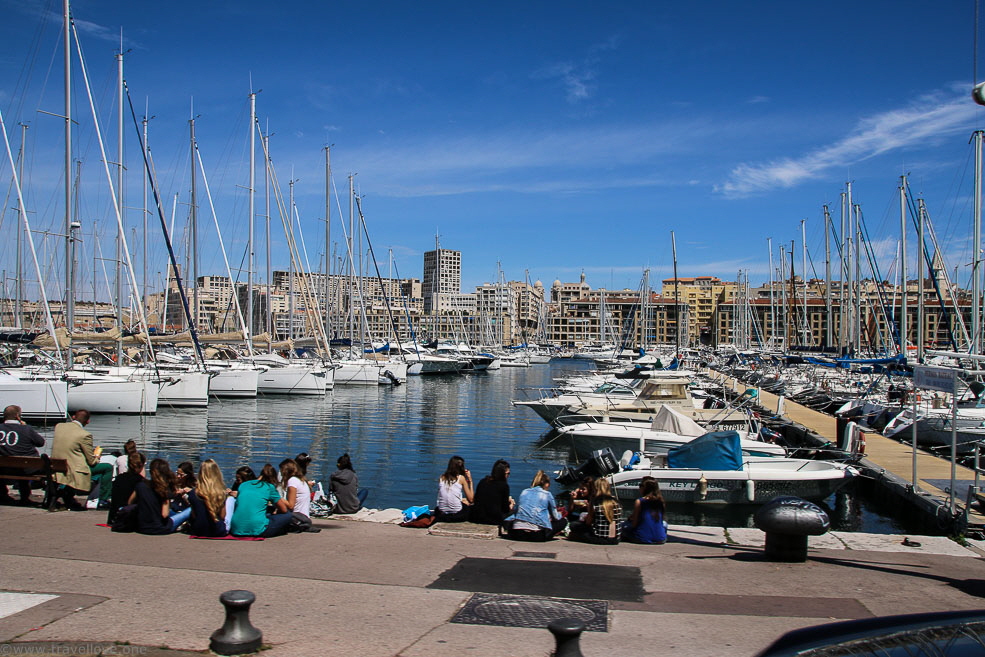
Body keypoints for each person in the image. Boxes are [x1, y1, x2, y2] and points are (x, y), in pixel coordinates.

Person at [51, 409, 112, 510]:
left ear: (74, 417)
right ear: (87, 421)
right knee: (108, 468)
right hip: (73, 469)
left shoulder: (59, 427)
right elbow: (91, 462)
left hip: (58, 466)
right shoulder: (84, 435)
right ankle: (103, 500)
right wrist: (97, 457)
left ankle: (66, 494)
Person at [129, 458, 192, 535]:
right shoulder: (163, 489)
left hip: (141, 527)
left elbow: (129, 502)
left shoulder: (140, 485)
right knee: (190, 510)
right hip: (160, 528)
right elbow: (164, 514)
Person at [229, 463, 292, 538]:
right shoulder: (269, 487)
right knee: (288, 515)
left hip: (236, 528)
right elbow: (284, 510)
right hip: (257, 530)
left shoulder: (243, 485)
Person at [0, 404, 46, 504]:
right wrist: (24, 426)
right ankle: (24, 497)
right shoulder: (26, 429)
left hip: (4, 468)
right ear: (17, 416)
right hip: (27, 468)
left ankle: (3, 494)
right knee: (25, 465)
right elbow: (40, 442)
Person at [505, 470, 567, 541]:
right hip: (536, 534)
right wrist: (560, 514)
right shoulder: (547, 494)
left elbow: (518, 512)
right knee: (563, 521)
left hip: (517, 533)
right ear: (546, 484)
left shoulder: (524, 492)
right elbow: (556, 517)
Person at [568, 478, 621, 545]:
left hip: (599, 537)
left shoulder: (595, 502)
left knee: (573, 525)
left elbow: (588, 522)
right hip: (615, 539)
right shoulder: (616, 502)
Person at [188, 459, 229, 537]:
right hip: (217, 530)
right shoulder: (221, 493)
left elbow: (194, 515)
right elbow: (223, 516)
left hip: (198, 530)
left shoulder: (193, 493)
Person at [621, 477, 667, 545]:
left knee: (624, 525)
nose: (639, 488)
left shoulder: (640, 501)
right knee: (665, 524)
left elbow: (634, 524)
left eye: (640, 486)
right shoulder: (660, 501)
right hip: (661, 539)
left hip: (641, 538)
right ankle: (658, 535)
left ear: (644, 488)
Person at [469, 459, 514, 525]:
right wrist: (511, 505)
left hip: (477, 517)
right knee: (514, 513)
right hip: (493, 519)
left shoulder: (483, 481)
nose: (508, 476)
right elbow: (505, 509)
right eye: (508, 473)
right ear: (502, 473)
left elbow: (477, 499)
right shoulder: (504, 486)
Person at [107, 451, 145, 525]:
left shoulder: (118, 478)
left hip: (114, 517)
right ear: (141, 466)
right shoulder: (140, 482)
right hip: (129, 518)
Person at [280, 458, 315, 531]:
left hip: (297, 518)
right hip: (304, 517)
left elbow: (291, 505)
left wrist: (277, 497)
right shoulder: (301, 480)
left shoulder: (292, 481)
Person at [434, 455, 473, 522]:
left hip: (442, 514)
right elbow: (471, 499)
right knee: (470, 506)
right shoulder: (461, 478)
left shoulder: (441, 477)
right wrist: (470, 481)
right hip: (457, 515)